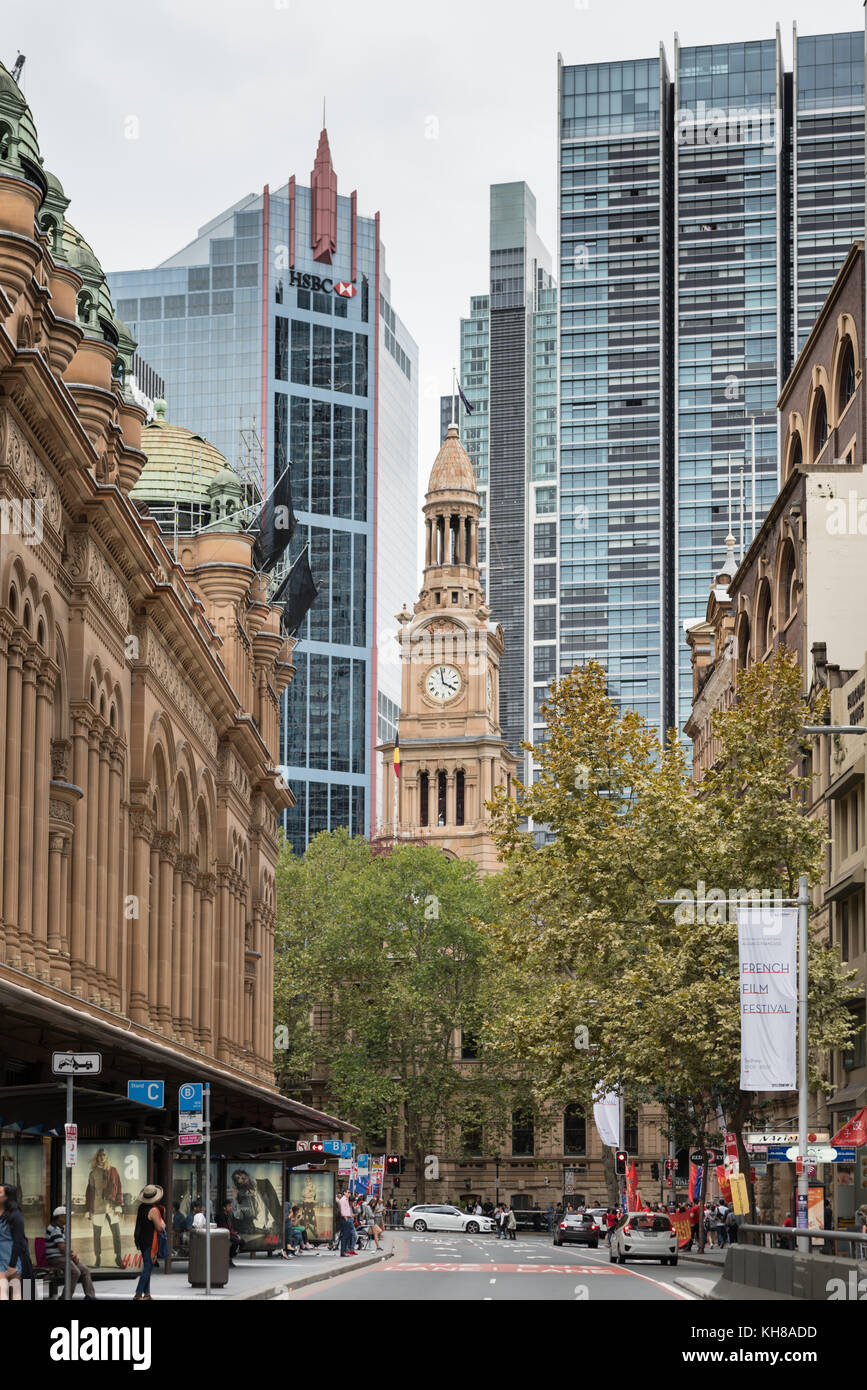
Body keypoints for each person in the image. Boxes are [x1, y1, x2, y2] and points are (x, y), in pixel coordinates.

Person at [45, 1206, 96, 1299]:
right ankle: (65, 1297)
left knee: (85, 1270)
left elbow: (65, 1248)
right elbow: (62, 1248)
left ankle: (90, 1296)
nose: (68, 1218)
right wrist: (73, 1256)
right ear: (60, 1217)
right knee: (75, 1272)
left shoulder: (60, 1228)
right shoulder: (55, 1229)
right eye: (66, 1216)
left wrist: (73, 1255)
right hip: (55, 1258)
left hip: (63, 1257)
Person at [85, 1147, 124, 1269]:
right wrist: (89, 1210)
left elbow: (119, 1187)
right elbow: (89, 1193)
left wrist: (118, 1205)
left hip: (111, 1207)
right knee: (97, 1235)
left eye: (104, 1155)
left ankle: (118, 1257)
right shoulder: (93, 1173)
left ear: (107, 1157)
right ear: (97, 1157)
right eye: (100, 1155)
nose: (102, 1157)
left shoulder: (113, 1171)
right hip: (98, 1207)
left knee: (116, 1233)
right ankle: (98, 1258)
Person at [132, 1183, 165, 1301]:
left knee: (147, 1266)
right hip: (150, 1242)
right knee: (147, 1268)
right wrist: (163, 1224)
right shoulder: (153, 1210)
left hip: (141, 1240)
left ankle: (147, 1294)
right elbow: (159, 1228)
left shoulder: (141, 1208)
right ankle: (138, 1293)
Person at [0, 1184, 30, 1301]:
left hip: (12, 1256)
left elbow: (18, 1241)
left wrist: (12, 1265)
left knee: (14, 1290)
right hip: (3, 1256)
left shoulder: (15, 1214)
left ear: (7, 1197)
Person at [337, 1189, 356, 1257]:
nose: (349, 1194)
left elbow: (346, 1210)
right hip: (345, 1219)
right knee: (345, 1236)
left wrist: (350, 1216)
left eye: (350, 1193)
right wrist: (346, 1219)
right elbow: (342, 1210)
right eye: (348, 1192)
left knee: (347, 1236)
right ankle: (343, 1252)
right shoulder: (343, 1200)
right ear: (344, 1193)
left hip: (348, 1218)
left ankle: (345, 1251)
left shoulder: (346, 1200)